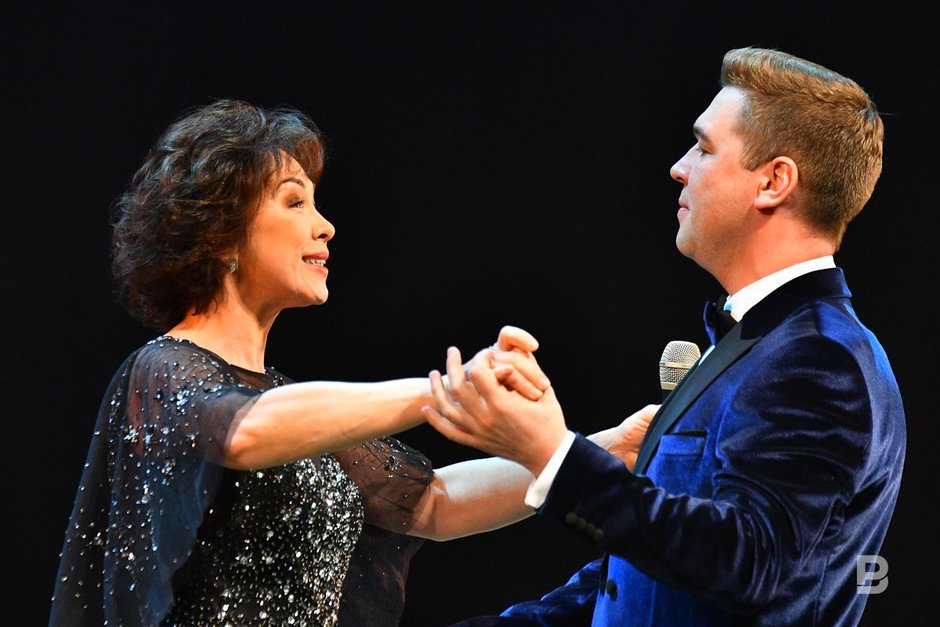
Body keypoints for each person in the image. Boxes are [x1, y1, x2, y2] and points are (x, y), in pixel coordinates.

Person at [48, 98, 653, 627]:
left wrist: (596, 451)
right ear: (219, 235)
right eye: (294, 202)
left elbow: (434, 502)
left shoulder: (288, 403)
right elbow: (244, 431)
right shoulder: (160, 371)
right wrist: (446, 390)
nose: (326, 226)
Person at [424, 47, 907, 626]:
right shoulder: (765, 343)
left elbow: (748, 562)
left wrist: (553, 454)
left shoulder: (819, 357)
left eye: (704, 148)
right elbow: (637, 590)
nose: (680, 167)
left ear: (774, 182)